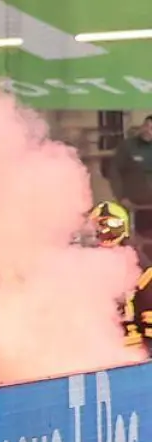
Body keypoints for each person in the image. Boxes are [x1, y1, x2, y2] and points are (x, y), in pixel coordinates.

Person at [95, 201, 152, 357]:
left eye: (108, 224)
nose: (103, 230)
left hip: (133, 351)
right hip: (98, 349)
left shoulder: (138, 266)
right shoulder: (84, 263)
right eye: (98, 226)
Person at [110, 116, 152, 243]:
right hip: (132, 205)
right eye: (147, 126)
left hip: (149, 207)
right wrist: (121, 196)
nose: (148, 131)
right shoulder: (127, 146)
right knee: (131, 241)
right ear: (142, 126)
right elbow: (114, 172)